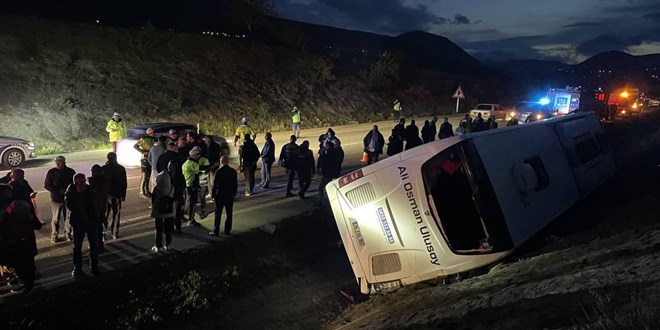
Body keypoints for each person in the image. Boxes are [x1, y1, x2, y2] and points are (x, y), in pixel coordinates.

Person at [2, 182, 42, 295]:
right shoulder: (19, 207)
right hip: (24, 243)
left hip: (21, 243)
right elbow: (37, 225)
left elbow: (6, 224)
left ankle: (28, 287)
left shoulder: (13, 209)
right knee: (24, 266)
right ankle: (26, 284)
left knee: (25, 266)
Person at [65, 173, 101, 277]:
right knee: (77, 246)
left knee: (94, 245)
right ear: (75, 182)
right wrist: (79, 194)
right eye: (79, 182)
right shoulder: (71, 191)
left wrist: (99, 217)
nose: (82, 184)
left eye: (83, 181)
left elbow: (96, 203)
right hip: (79, 222)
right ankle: (77, 268)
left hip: (92, 221)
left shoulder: (89, 190)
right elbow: (70, 206)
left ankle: (94, 266)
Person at [44, 155, 76, 243]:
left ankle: (68, 234)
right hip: (56, 199)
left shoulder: (70, 172)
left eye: (59, 162)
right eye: (56, 162)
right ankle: (54, 235)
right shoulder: (51, 172)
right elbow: (47, 185)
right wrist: (58, 191)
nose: (57, 163)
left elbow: (74, 184)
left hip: (68, 198)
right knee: (55, 219)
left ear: (64, 162)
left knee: (68, 217)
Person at [151, 161, 177, 252]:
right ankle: (168, 244)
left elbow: (153, 200)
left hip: (159, 210)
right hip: (169, 210)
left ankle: (159, 245)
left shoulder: (157, 189)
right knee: (168, 228)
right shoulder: (172, 187)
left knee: (158, 228)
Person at [101, 152, 127, 239]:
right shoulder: (121, 168)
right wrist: (123, 195)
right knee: (116, 216)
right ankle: (114, 233)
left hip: (106, 195)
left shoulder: (103, 169)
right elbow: (124, 183)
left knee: (104, 217)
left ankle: (103, 234)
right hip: (117, 195)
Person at [210, 155, 237, 236]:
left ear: (221, 161)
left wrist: (213, 195)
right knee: (229, 214)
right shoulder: (233, 171)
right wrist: (233, 194)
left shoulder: (219, 172)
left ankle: (216, 231)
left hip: (220, 195)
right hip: (229, 195)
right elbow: (235, 184)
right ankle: (227, 230)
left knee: (218, 214)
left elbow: (215, 185)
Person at [88, 165, 108, 251]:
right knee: (99, 225)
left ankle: (99, 244)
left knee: (98, 226)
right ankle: (100, 244)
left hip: (98, 206)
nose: (92, 173)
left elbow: (99, 193)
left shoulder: (101, 181)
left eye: (94, 172)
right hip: (99, 205)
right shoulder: (103, 180)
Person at [317, 141, 342, 207]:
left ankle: (321, 201)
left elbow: (323, 161)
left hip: (328, 173)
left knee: (321, 187)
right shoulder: (336, 153)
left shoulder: (327, 153)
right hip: (334, 173)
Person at [182, 146, 203, 227]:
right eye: (198, 154)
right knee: (192, 203)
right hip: (192, 185)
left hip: (186, 184)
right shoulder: (193, 164)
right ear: (194, 155)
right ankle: (191, 220)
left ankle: (185, 217)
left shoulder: (185, 163)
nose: (199, 156)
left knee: (187, 202)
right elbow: (202, 169)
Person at [134, 127, 156, 198]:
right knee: (144, 175)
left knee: (148, 175)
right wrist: (142, 152)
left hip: (150, 159)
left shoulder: (153, 139)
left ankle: (147, 190)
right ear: (149, 133)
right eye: (152, 132)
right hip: (144, 159)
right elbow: (135, 146)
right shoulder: (143, 139)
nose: (154, 133)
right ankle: (142, 191)